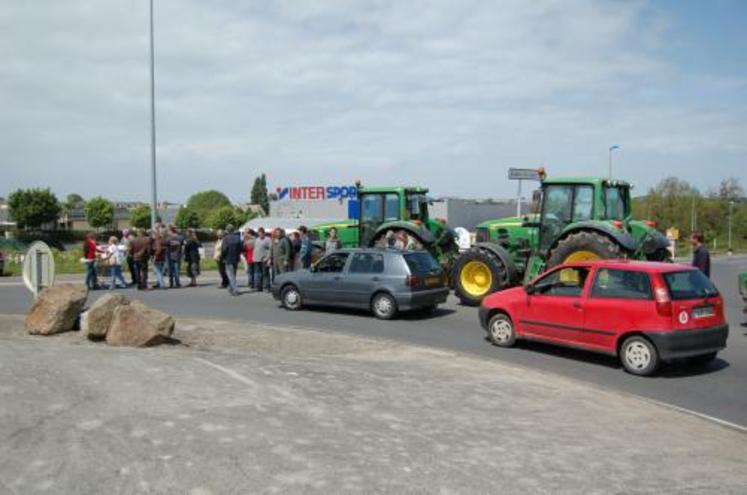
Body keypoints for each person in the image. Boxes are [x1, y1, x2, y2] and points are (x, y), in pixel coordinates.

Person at [221, 224, 242, 296]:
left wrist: (222, 256)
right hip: (236, 258)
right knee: (233, 274)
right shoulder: (237, 237)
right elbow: (241, 248)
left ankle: (235, 289)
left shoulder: (226, 238)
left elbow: (224, 249)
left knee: (231, 275)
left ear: (227, 230)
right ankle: (230, 287)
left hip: (228, 258)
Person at [253, 227, 272, 292]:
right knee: (258, 274)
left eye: (261, 233)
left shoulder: (268, 239)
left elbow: (270, 249)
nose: (260, 235)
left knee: (265, 274)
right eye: (259, 233)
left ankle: (266, 287)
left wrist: (268, 258)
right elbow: (255, 248)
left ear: (264, 233)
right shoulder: (257, 239)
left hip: (264, 259)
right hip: (256, 259)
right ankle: (259, 287)